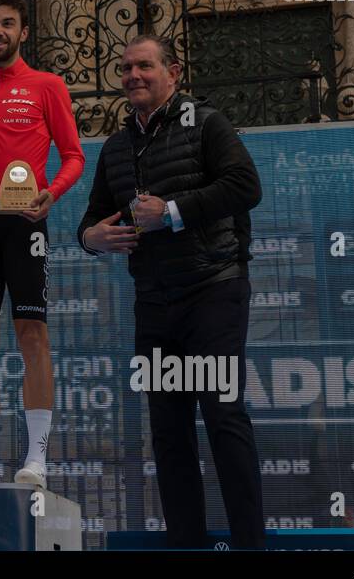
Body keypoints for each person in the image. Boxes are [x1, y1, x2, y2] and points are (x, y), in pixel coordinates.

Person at [77, 34, 266, 548]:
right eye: (125, 69)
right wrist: (91, 238)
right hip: (154, 303)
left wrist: (173, 212)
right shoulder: (116, 147)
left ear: (173, 73)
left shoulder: (207, 123)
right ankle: (187, 543)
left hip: (214, 289)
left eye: (144, 66)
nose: (133, 76)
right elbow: (92, 219)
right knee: (168, 431)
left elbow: (246, 186)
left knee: (223, 417)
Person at [0, 0, 84, 489]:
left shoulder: (48, 85)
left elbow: (73, 154)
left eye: (7, 24)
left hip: (26, 219)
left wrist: (52, 193)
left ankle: (37, 462)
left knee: (33, 336)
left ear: (23, 32)